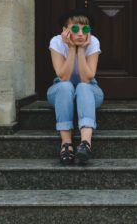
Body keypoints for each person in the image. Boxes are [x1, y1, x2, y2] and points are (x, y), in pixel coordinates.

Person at [47, 9, 104, 165]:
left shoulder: (93, 42)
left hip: (90, 91)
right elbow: (63, 76)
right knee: (66, 86)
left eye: (85, 29)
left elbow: (86, 78)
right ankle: (66, 144)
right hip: (60, 92)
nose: (80, 33)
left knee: (83, 87)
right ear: (65, 31)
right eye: (75, 29)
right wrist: (72, 48)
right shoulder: (57, 41)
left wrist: (82, 49)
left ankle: (85, 144)